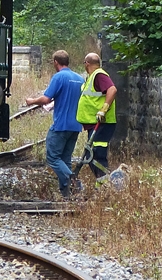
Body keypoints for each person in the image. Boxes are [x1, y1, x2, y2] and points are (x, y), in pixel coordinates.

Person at [25, 50, 84, 198]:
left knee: (53, 158)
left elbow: (46, 99)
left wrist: (31, 101)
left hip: (61, 125)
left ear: (56, 62)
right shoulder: (79, 79)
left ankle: (73, 181)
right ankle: (67, 194)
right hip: (76, 126)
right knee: (65, 159)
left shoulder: (59, 77)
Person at [76, 52, 117, 184]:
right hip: (94, 123)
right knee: (92, 156)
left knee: (96, 155)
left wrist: (103, 110)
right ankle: (103, 184)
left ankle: (106, 184)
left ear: (87, 63)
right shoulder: (92, 77)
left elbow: (112, 90)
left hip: (102, 123)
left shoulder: (99, 75)